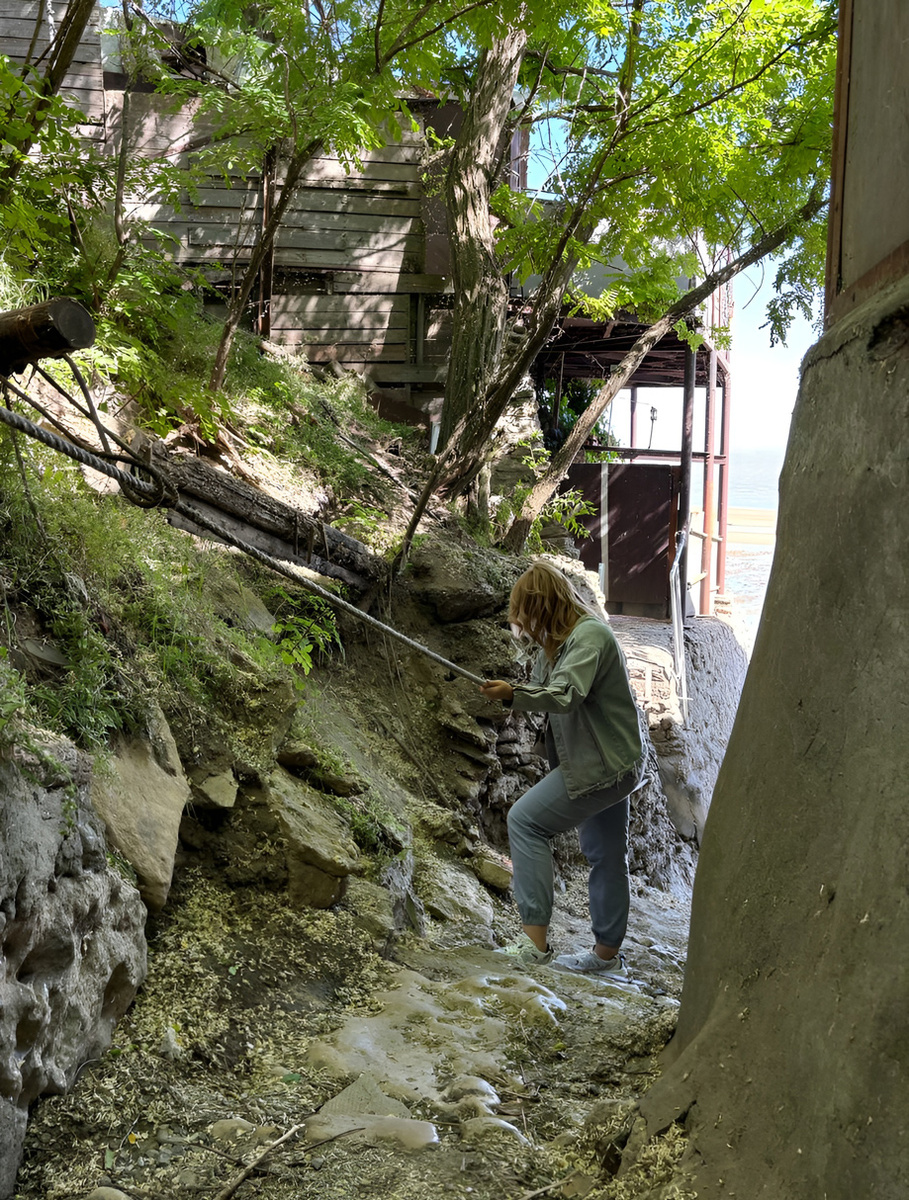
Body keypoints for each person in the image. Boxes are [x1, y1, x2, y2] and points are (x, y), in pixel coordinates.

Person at [480, 560, 644, 975]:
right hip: (613, 765)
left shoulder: (589, 637)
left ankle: (534, 946)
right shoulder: (562, 641)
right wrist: (515, 690)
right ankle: (606, 958)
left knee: (525, 822)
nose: (522, 627)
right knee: (607, 854)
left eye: (524, 615)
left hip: (600, 766)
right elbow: (545, 687)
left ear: (542, 606)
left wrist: (512, 694)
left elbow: (565, 694)